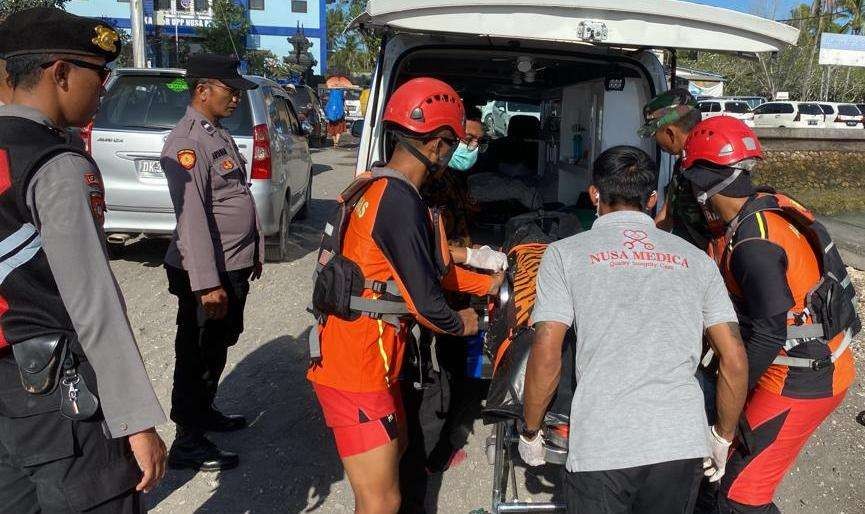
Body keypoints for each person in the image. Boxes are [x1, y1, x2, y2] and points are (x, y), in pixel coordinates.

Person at [307, 77, 502, 514]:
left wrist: (491, 285)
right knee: (380, 501)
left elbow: (437, 273)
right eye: (454, 144)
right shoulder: (398, 201)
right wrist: (468, 322)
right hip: (356, 367)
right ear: (437, 144)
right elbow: (430, 304)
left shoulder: (385, 186)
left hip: (374, 358)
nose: (454, 155)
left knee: (399, 457)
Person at [520, 145, 749, 514]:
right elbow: (734, 357)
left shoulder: (565, 254)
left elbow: (547, 351)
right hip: (680, 442)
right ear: (652, 198)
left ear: (594, 193)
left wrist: (530, 430)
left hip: (603, 443)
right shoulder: (696, 259)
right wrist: (722, 435)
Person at [0, 7, 167, 512]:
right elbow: (92, 303)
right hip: (60, 402)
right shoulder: (57, 165)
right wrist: (135, 420)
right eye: (100, 74)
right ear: (60, 73)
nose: (104, 88)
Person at [680, 116, 857, 513]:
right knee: (731, 484)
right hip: (804, 363)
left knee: (739, 494)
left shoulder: (753, 244)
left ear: (704, 186)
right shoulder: (762, 212)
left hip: (803, 378)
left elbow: (767, 334)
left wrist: (728, 414)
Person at [161, 53, 264, 472]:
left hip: (229, 266)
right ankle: (187, 440)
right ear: (202, 90)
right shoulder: (188, 141)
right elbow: (192, 218)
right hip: (208, 272)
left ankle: (203, 415)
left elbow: (232, 200)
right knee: (198, 353)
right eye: (229, 90)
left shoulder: (214, 133)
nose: (236, 99)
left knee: (217, 346)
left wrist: (252, 255)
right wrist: (206, 284)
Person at [421, 104, 503, 475]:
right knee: (427, 368)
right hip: (432, 285)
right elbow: (432, 249)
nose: (471, 146)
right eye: (466, 138)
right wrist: (477, 258)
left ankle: (444, 428)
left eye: (478, 142)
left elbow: (467, 217)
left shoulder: (454, 179)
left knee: (452, 360)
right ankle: (432, 447)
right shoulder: (426, 182)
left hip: (456, 282)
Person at [638, 88, 710, 250]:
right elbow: (666, 215)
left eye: (655, 134)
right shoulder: (682, 164)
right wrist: (641, 246)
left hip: (707, 263)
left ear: (670, 132)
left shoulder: (709, 166)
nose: (656, 141)